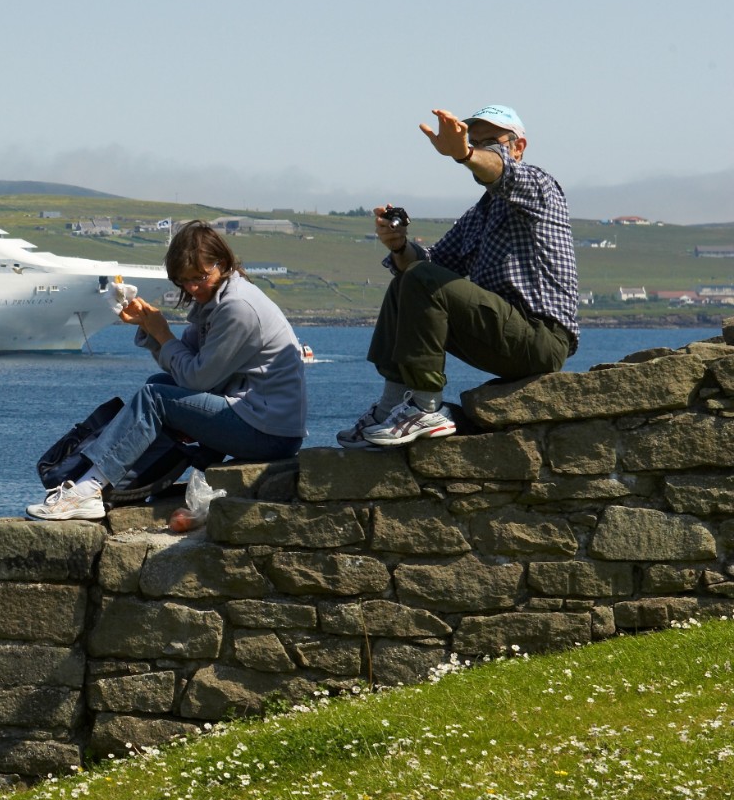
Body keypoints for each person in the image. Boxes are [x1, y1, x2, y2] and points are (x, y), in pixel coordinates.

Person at [29, 221, 307, 521]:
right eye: (183, 281)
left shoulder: (237, 308)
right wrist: (150, 327)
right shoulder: (217, 300)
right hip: (257, 418)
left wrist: (162, 333)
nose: (192, 288)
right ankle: (129, 482)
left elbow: (197, 377)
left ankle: (89, 489)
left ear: (222, 263)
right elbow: (182, 366)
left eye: (199, 277)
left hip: (269, 432)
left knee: (156, 397)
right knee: (159, 384)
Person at [343, 105, 577, 447]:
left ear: (518, 147)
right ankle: (392, 406)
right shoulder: (479, 214)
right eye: (475, 141)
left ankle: (426, 407)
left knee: (420, 279)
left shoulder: (540, 186)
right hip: (501, 336)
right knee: (405, 281)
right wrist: (398, 245)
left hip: (541, 339)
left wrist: (465, 153)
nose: (483, 149)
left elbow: (502, 173)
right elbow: (430, 263)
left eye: (491, 142)